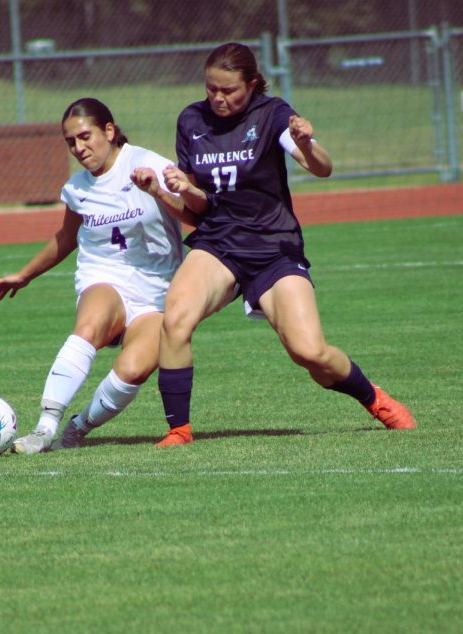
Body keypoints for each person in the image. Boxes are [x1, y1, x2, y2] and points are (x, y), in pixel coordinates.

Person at [152, 42, 416, 447]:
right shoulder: (191, 120)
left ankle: (373, 398)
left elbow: (321, 168)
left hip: (274, 247)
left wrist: (307, 142)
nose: (218, 99)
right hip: (219, 243)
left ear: (253, 84)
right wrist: (185, 188)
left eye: (229, 91)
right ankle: (179, 430)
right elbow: (199, 204)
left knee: (309, 352)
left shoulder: (272, 113)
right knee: (175, 320)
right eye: (211, 90)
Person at [0, 97, 198, 454]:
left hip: (156, 293)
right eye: (70, 142)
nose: (79, 148)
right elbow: (66, 239)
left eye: (85, 137)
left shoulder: (147, 163)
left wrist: (158, 191)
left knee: (132, 370)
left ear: (109, 131)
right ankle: (44, 428)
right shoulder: (78, 188)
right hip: (105, 277)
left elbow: (194, 215)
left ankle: (76, 429)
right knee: (89, 325)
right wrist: (25, 275)